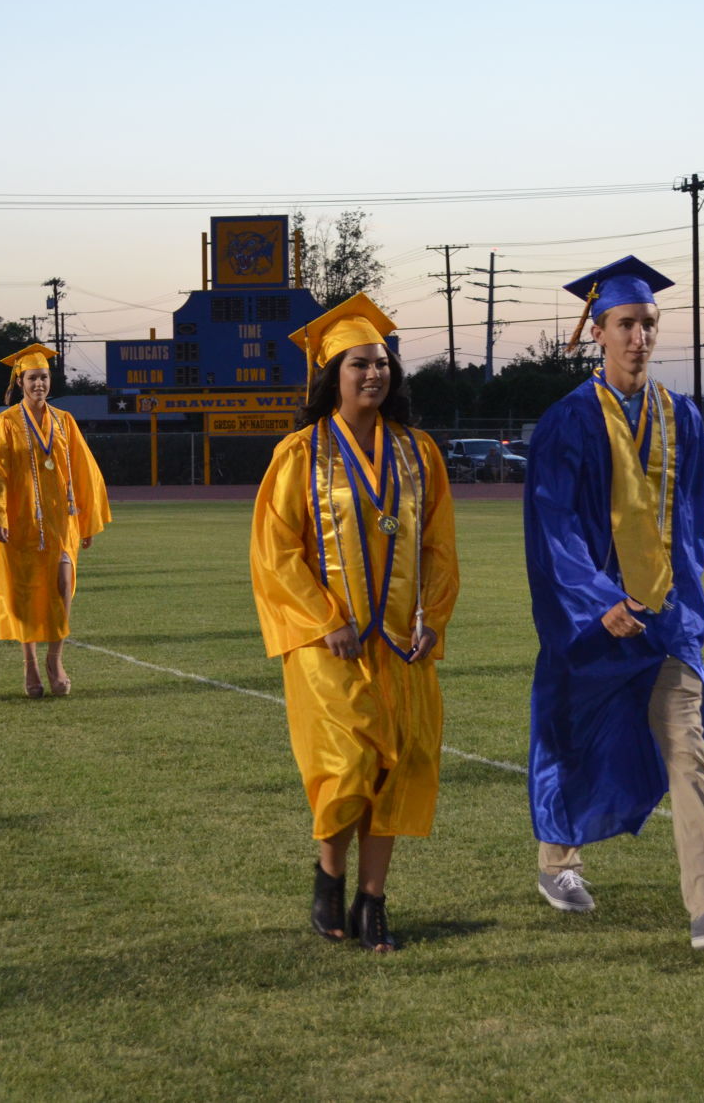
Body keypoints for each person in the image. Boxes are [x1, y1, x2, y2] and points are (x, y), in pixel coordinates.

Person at [523, 256, 704, 950]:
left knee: (685, 749)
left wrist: (682, 602)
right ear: (596, 331)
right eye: (625, 323)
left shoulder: (680, 415)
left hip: (663, 622)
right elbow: (553, 524)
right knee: (570, 741)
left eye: (648, 324)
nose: (638, 337)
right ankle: (557, 860)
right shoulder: (566, 421)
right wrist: (596, 603)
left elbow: (690, 522)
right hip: (591, 623)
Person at [249, 294, 459, 954]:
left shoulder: (417, 452)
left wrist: (432, 618)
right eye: (358, 364)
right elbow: (275, 550)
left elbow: (437, 548)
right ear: (330, 373)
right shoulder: (299, 454)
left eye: (381, 363)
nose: (373, 374)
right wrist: (322, 617)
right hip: (329, 644)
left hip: (400, 640)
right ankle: (327, 876)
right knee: (347, 766)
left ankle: (372, 901)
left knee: (402, 765)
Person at [0, 345, 110, 697]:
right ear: (20, 382)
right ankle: (30, 663)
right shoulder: (5, 423)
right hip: (20, 522)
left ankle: (55, 658)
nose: (39, 384)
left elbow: (83, 469)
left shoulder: (64, 421)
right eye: (32, 378)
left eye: (44, 377)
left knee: (64, 586)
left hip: (61, 520)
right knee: (26, 594)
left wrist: (88, 518)